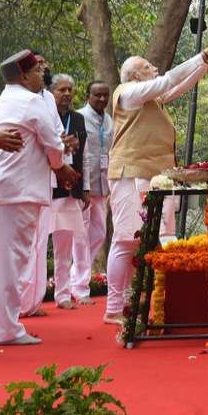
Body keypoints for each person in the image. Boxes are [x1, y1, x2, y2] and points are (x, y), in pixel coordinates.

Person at [104, 39, 208, 324]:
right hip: (129, 175)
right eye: (148, 66)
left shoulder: (151, 99)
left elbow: (180, 85)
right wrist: (204, 52)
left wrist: (206, 62)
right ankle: (114, 308)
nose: (155, 68)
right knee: (126, 241)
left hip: (154, 177)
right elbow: (168, 81)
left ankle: (146, 302)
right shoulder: (128, 93)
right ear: (136, 76)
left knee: (159, 238)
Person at [0, 50, 78, 345]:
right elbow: (54, 148)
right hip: (19, 192)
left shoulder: (3, 101)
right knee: (13, 262)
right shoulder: (31, 102)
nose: (42, 75)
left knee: (3, 261)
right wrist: (62, 166)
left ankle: (3, 325)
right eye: (37, 71)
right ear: (23, 76)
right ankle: (6, 329)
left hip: (6, 190)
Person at [48, 74, 89, 310]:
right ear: (51, 93)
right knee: (40, 244)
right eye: (61, 90)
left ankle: (63, 295)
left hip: (70, 188)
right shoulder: (45, 117)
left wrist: (84, 188)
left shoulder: (78, 119)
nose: (66, 94)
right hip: (48, 188)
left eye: (70, 90)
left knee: (68, 243)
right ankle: (28, 297)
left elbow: (84, 156)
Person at [75, 80, 112, 305]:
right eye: (97, 95)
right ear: (88, 95)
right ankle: (79, 288)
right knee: (80, 236)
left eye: (105, 95)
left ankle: (78, 279)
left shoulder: (109, 121)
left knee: (98, 234)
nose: (102, 99)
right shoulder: (79, 117)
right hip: (84, 187)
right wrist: (81, 188)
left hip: (104, 186)